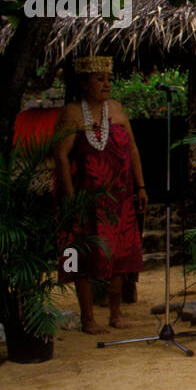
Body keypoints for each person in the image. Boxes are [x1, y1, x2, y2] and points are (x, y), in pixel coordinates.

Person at [54, 55, 146, 334]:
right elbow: (61, 156)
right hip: (89, 199)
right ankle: (88, 318)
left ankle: (116, 314)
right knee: (87, 256)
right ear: (84, 83)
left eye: (108, 79)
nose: (106, 84)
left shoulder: (116, 110)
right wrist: (71, 199)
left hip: (120, 197)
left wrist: (140, 186)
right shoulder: (72, 113)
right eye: (99, 79)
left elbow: (132, 150)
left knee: (120, 256)